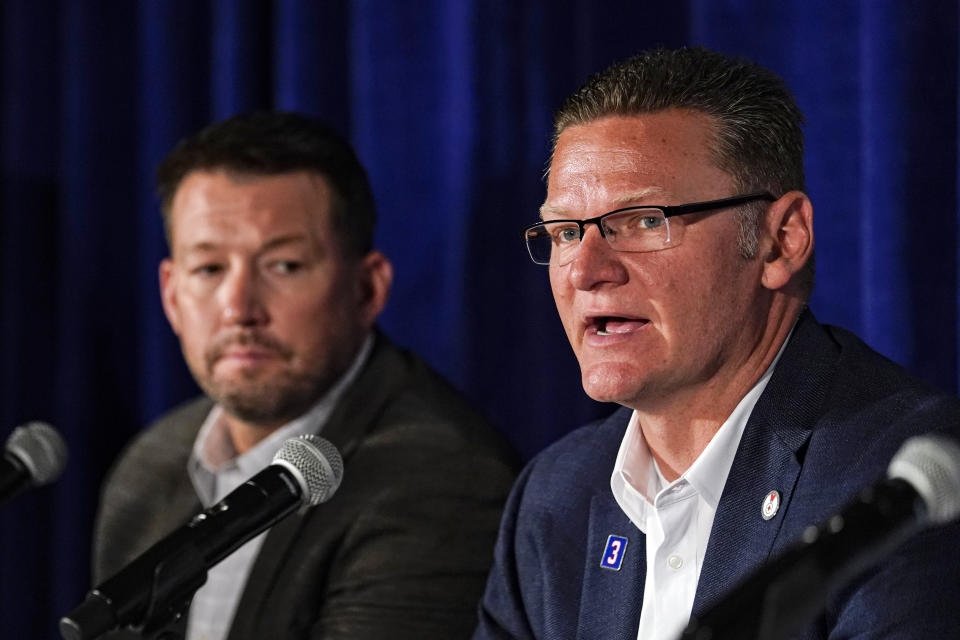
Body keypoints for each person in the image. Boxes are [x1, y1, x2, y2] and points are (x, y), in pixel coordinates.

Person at [475, 47, 960, 639]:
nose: (585, 269)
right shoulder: (555, 499)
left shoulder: (904, 492)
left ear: (781, 241)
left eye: (644, 220)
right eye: (566, 231)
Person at [92, 111, 518, 640]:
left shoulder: (444, 479)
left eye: (284, 265)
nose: (239, 308)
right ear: (172, 297)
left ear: (367, 289)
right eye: (209, 269)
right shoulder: (149, 466)